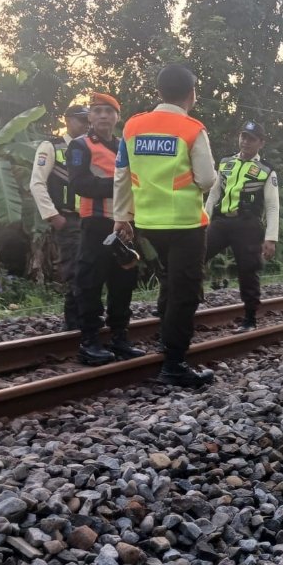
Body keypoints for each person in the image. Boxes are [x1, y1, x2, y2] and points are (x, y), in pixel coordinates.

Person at [114, 64, 217, 388]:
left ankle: (165, 342)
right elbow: (207, 178)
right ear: (191, 94)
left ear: (158, 92)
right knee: (184, 292)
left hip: (147, 222)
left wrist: (122, 216)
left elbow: (121, 175)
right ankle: (174, 363)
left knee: (168, 283)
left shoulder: (133, 127)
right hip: (185, 224)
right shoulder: (191, 129)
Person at [67, 92, 147, 365]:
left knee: (123, 282)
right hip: (96, 224)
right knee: (89, 282)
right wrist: (120, 185)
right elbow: (80, 183)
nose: (103, 116)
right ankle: (89, 341)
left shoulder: (127, 145)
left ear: (117, 116)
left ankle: (120, 337)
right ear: (89, 116)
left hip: (125, 225)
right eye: (97, 111)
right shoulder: (80, 146)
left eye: (108, 111)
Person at [203, 120, 279, 332]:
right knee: (194, 255)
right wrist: (204, 221)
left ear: (260, 143)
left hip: (248, 225)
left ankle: (250, 318)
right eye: (243, 136)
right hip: (221, 222)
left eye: (251, 139)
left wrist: (271, 238)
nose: (245, 141)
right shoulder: (226, 163)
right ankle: (185, 300)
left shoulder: (266, 170)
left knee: (248, 270)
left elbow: (273, 207)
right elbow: (213, 195)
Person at [29, 104, 90, 331]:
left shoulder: (90, 147)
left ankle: (85, 318)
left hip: (92, 218)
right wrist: (53, 216)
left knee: (91, 268)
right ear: (68, 120)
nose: (85, 125)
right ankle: (75, 320)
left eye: (87, 121)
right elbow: (36, 183)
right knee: (75, 269)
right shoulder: (51, 147)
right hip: (68, 219)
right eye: (81, 120)